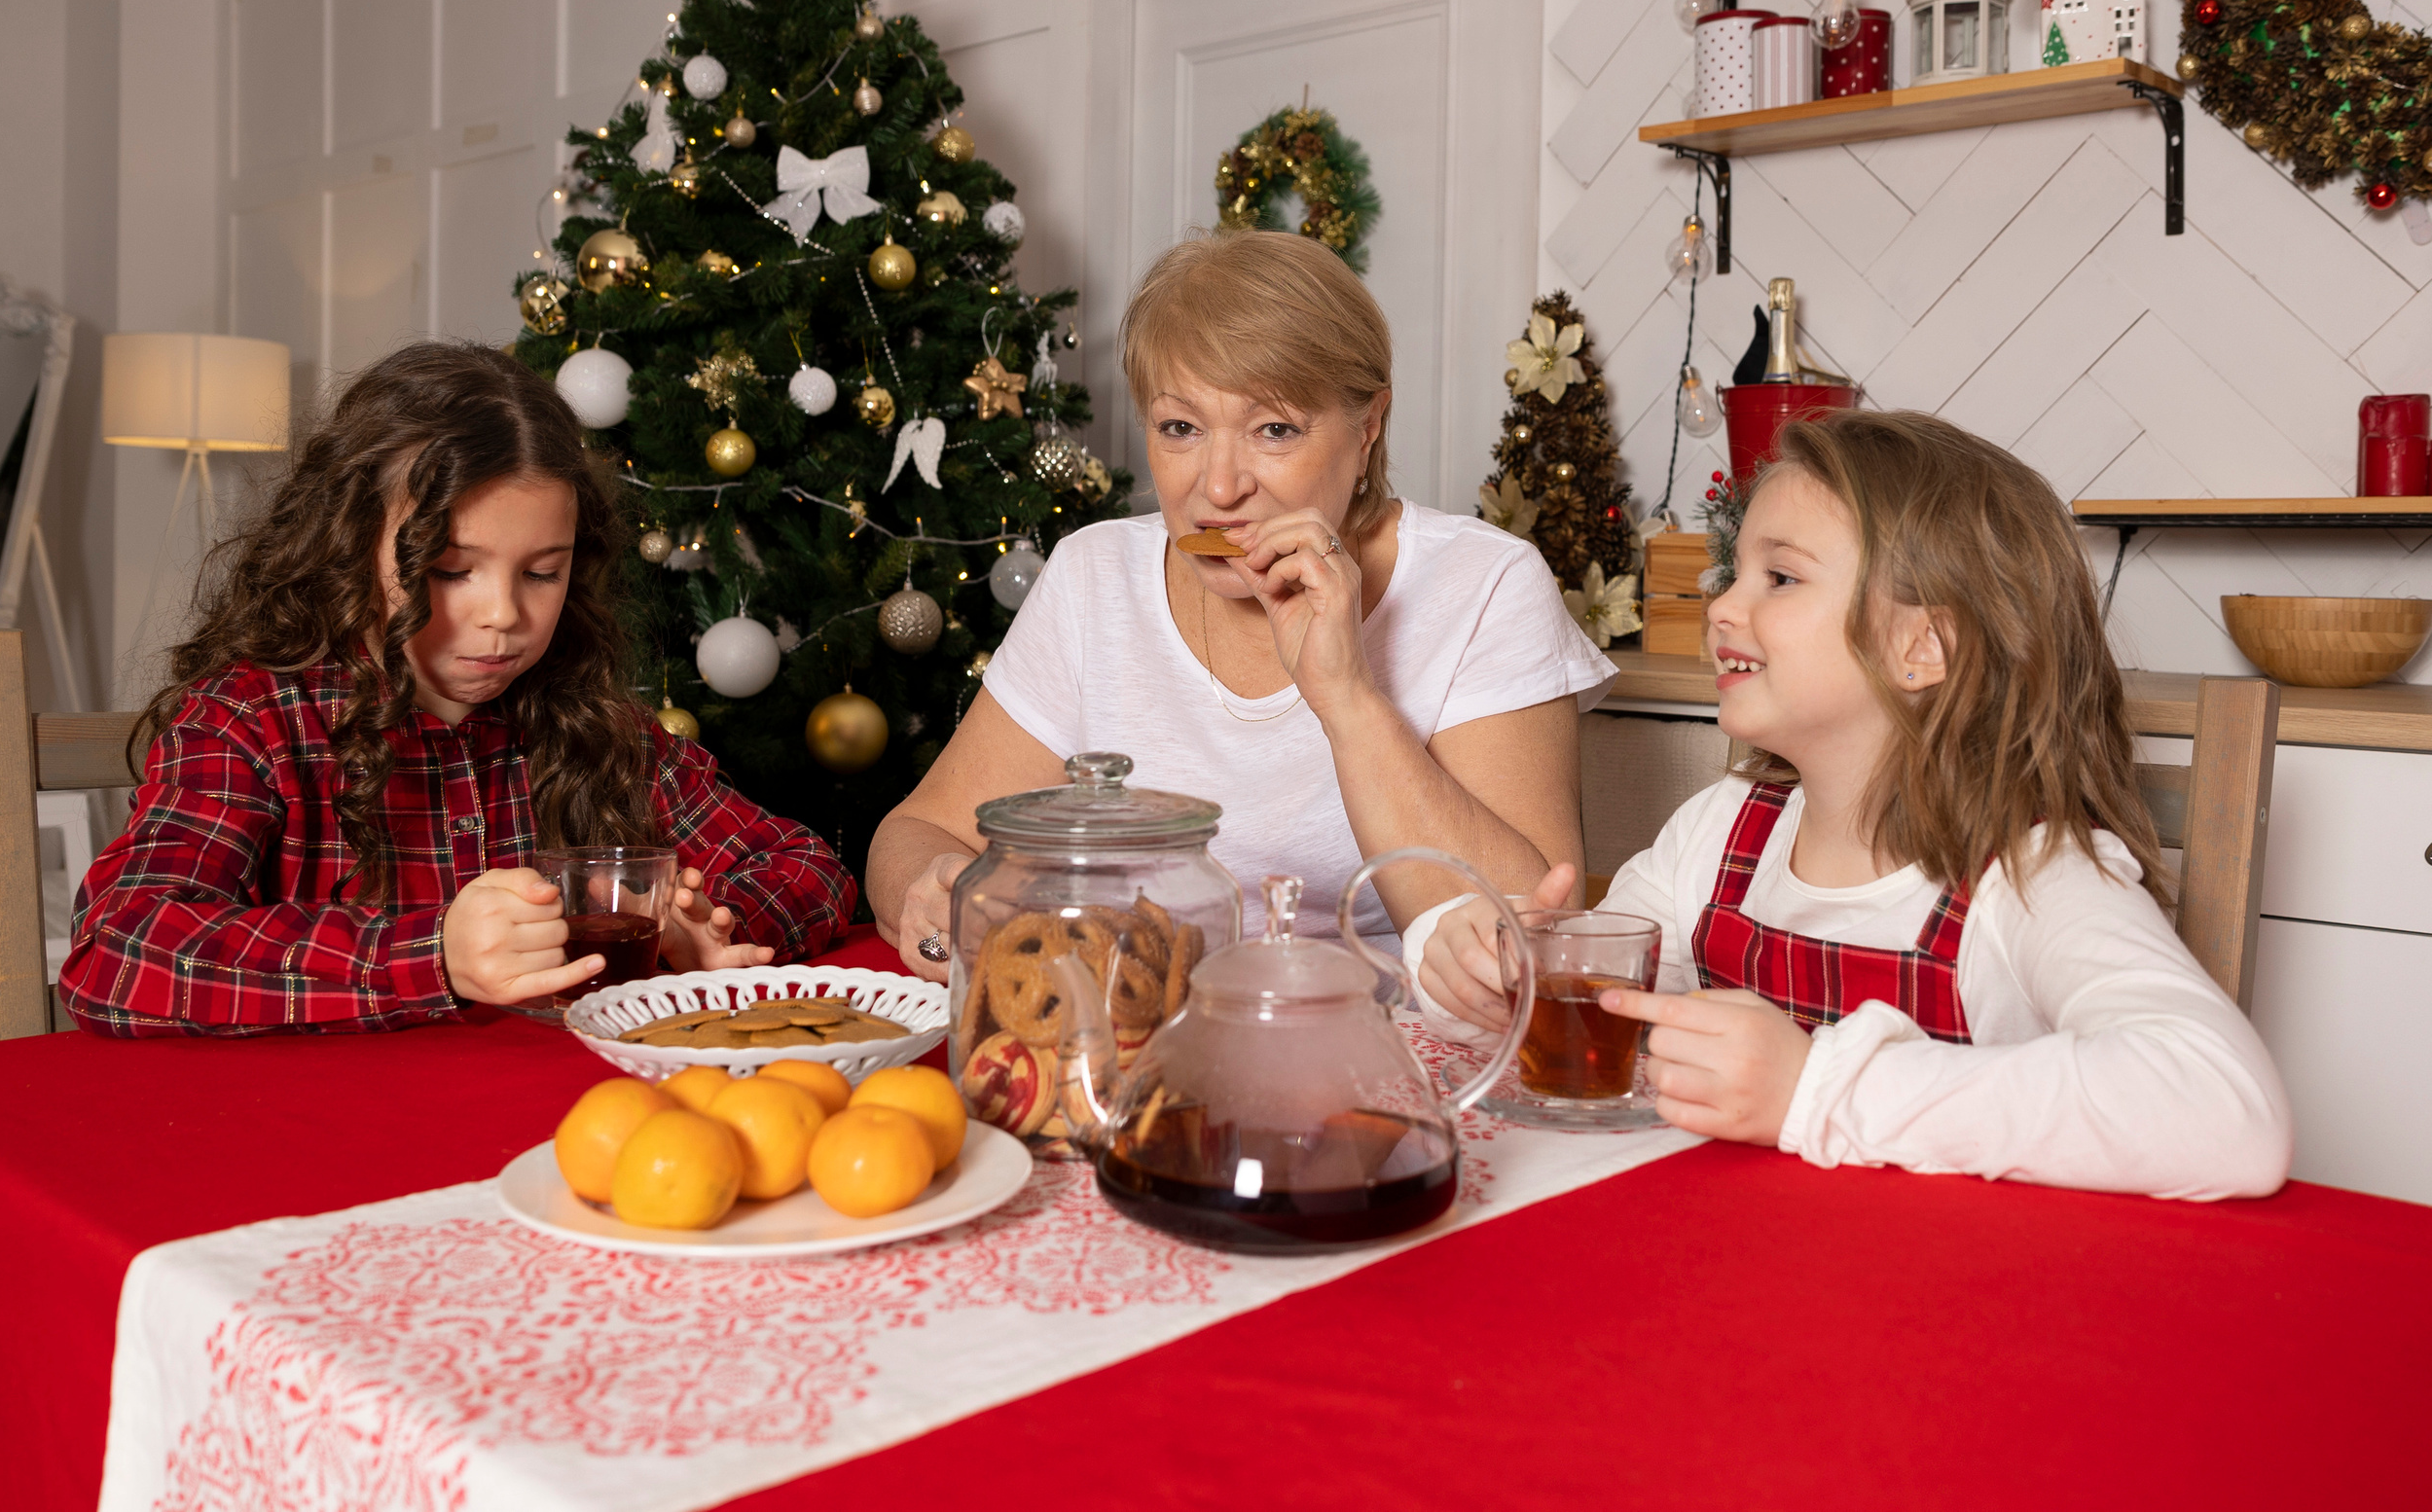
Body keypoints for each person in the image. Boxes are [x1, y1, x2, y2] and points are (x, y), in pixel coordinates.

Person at [1410, 410, 2292, 1199]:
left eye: (1780, 579)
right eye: (1735, 571)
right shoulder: (1718, 832)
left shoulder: (2032, 874)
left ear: (1923, 645)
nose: (1722, 605)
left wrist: (1814, 1090)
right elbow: (1609, 1022)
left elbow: (2226, 1108)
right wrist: (1497, 976)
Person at [871, 231, 1610, 976]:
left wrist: (1348, 697)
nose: (1219, 488)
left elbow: (1535, 935)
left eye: (1274, 429)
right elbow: (919, 830)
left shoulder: (1484, 585)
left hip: (1388, 1048)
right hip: (1135, 1037)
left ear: (1367, 428)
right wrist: (937, 897)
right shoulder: (1093, 575)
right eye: (1181, 428)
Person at [62, 342, 853, 1035]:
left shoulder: (592, 724)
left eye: (543, 572)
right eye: (448, 570)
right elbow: (118, 950)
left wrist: (700, 928)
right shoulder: (250, 723)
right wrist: (432, 954)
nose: (504, 615)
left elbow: (806, 866)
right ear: (344, 543)